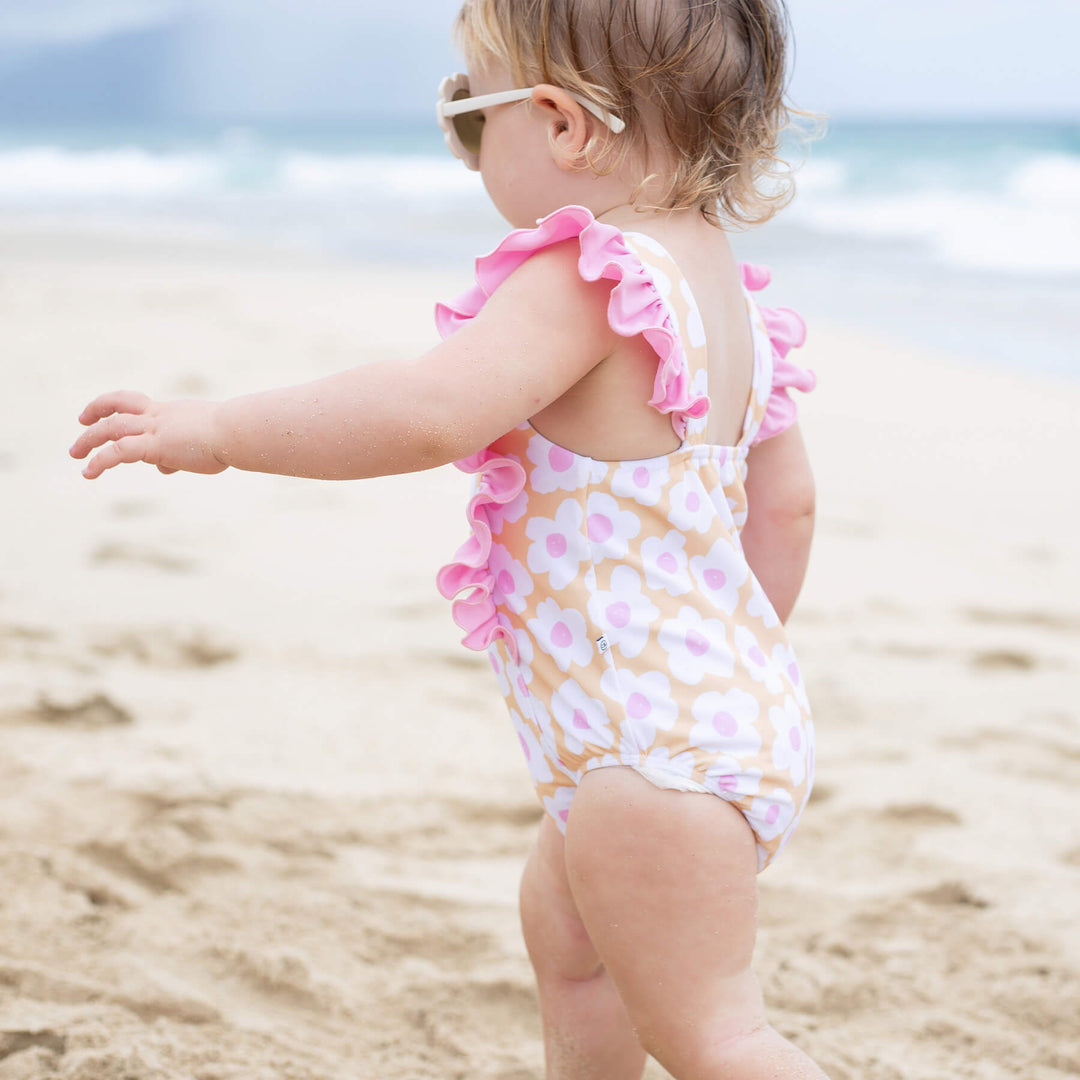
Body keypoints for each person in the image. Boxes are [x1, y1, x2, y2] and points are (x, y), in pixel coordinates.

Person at [71, 1, 826, 1075]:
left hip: (651, 755)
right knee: (571, 952)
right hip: (704, 718)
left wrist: (221, 431)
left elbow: (432, 411)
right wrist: (728, 678)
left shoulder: (587, 278)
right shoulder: (730, 300)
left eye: (468, 114)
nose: (466, 146)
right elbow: (786, 504)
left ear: (561, 125)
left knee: (714, 1034)